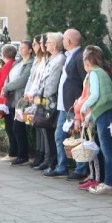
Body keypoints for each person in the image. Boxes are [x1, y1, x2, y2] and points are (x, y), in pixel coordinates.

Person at [79, 45, 112, 195]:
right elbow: (102, 97)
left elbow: (94, 96)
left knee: (107, 149)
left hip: (105, 113)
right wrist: (90, 116)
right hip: (105, 111)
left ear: (87, 62)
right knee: (106, 148)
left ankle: (108, 184)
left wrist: (84, 108)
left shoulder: (94, 73)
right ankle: (106, 182)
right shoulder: (102, 72)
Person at [50, 29, 88, 180]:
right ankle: (62, 166)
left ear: (69, 41)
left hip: (74, 105)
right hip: (64, 106)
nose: (63, 41)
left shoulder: (79, 57)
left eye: (64, 39)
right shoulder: (69, 56)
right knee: (60, 136)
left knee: (77, 137)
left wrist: (80, 102)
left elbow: (85, 81)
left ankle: (80, 169)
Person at [37, 32, 66, 174]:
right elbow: (42, 78)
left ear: (54, 45)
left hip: (51, 101)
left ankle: (54, 163)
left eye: (48, 42)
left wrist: (43, 96)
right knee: (46, 130)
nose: (45, 44)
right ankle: (50, 161)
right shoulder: (51, 58)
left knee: (51, 130)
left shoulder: (60, 59)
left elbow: (52, 83)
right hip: (44, 99)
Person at [2, 41, 33, 165]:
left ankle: (23, 155)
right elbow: (8, 77)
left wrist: (7, 87)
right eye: (20, 47)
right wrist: (5, 87)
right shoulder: (18, 62)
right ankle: (18, 153)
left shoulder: (30, 63)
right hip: (13, 98)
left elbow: (23, 80)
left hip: (23, 100)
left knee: (19, 127)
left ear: (30, 50)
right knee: (13, 127)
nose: (21, 49)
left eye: (24, 47)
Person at [24, 35, 49, 168]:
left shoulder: (46, 59)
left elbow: (43, 82)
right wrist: (27, 93)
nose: (34, 46)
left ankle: (45, 157)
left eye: (36, 44)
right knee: (37, 126)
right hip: (33, 96)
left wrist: (34, 95)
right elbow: (32, 79)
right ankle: (39, 155)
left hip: (42, 97)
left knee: (43, 126)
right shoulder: (37, 60)